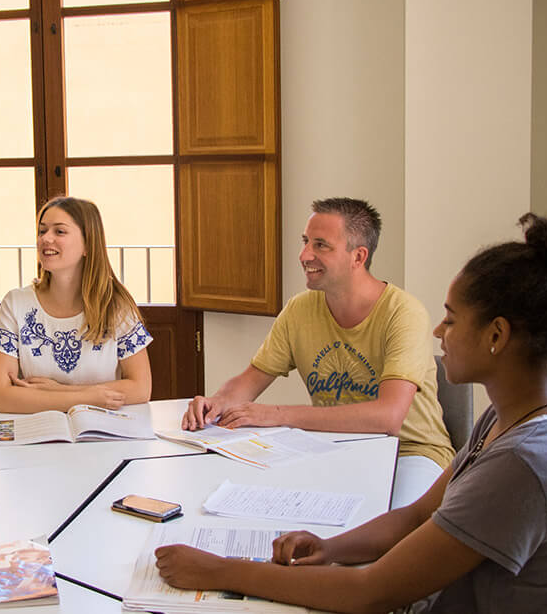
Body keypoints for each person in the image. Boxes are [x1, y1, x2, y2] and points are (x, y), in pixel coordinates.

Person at [156, 213, 547, 613]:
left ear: (496, 334)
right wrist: (331, 548)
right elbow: (418, 516)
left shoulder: (526, 462)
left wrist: (220, 571)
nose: (439, 332)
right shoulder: (507, 418)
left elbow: (370, 592)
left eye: (452, 321)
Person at [182, 198, 454, 507]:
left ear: (358, 256)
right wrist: (217, 403)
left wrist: (278, 415)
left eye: (321, 245)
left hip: (409, 452)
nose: (304, 255)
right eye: (305, 242)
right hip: (334, 447)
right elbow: (250, 380)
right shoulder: (299, 310)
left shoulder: (404, 313)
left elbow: (388, 417)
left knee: (387, 530)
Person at [0, 196, 152, 412]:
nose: (46, 238)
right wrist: (87, 398)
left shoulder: (117, 305)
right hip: (38, 434)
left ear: (88, 244)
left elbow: (141, 388)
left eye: (59, 231)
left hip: (102, 435)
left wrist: (57, 391)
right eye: (42, 230)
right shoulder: (15, 303)